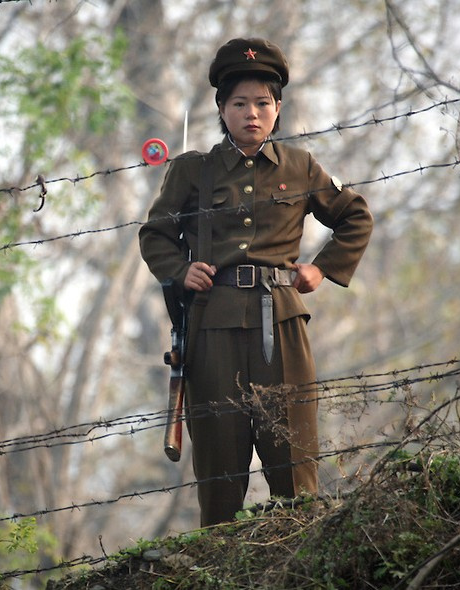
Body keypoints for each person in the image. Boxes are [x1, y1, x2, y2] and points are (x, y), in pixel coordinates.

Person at [139, 37, 373, 527]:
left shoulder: (300, 166)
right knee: (221, 475)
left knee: (294, 467)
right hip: (214, 327)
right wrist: (182, 271)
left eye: (263, 103)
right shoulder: (193, 171)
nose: (252, 113)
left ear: (278, 108)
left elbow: (354, 216)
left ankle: (301, 562)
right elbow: (155, 233)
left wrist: (321, 267)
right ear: (221, 109)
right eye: (239, 103)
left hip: (282, 323)